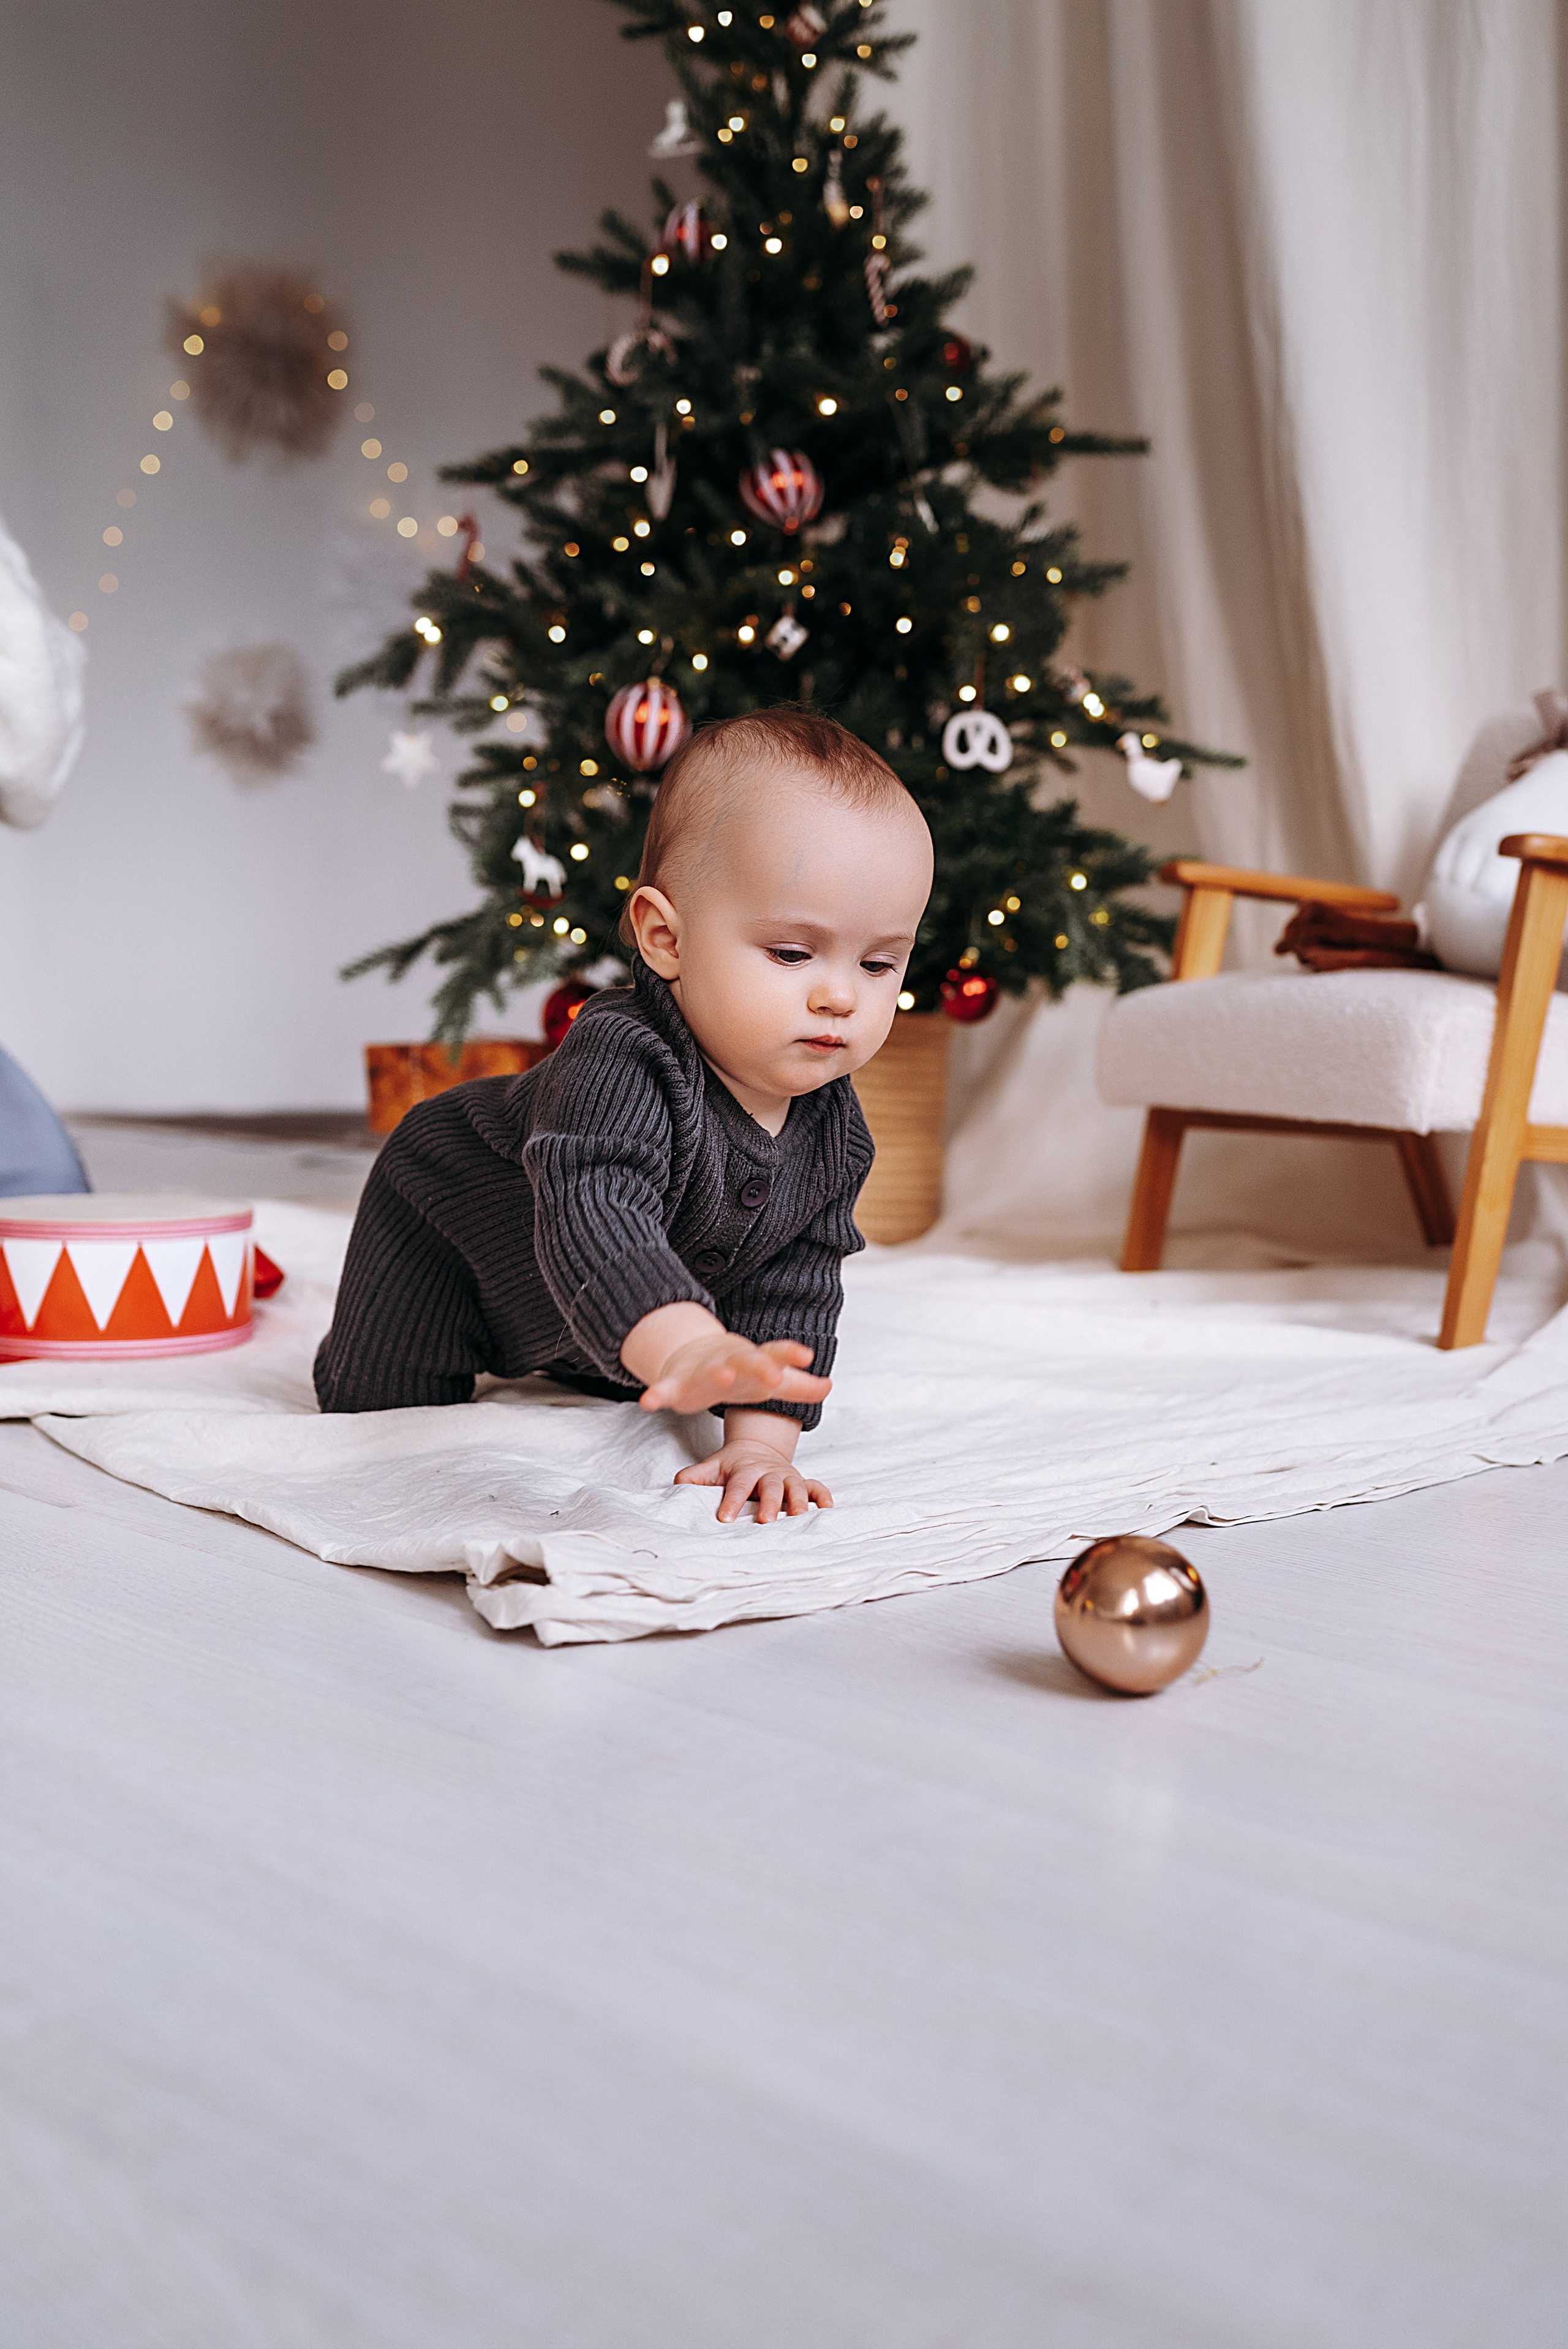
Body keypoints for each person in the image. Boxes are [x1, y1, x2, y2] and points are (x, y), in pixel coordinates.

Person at [315, 709, 934, 1524]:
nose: (841, 994)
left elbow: (796, 1286)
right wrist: (684, 1347)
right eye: (791, 952)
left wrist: (759, 1444)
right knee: (385, 1430)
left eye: (878, 961)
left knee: (609, 1371)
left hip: (582, 1312)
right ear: (663, 938)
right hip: (440, 1224)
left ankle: (615, 1346)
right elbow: (596, 1217)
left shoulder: (833, 1128)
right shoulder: (622, 1056)